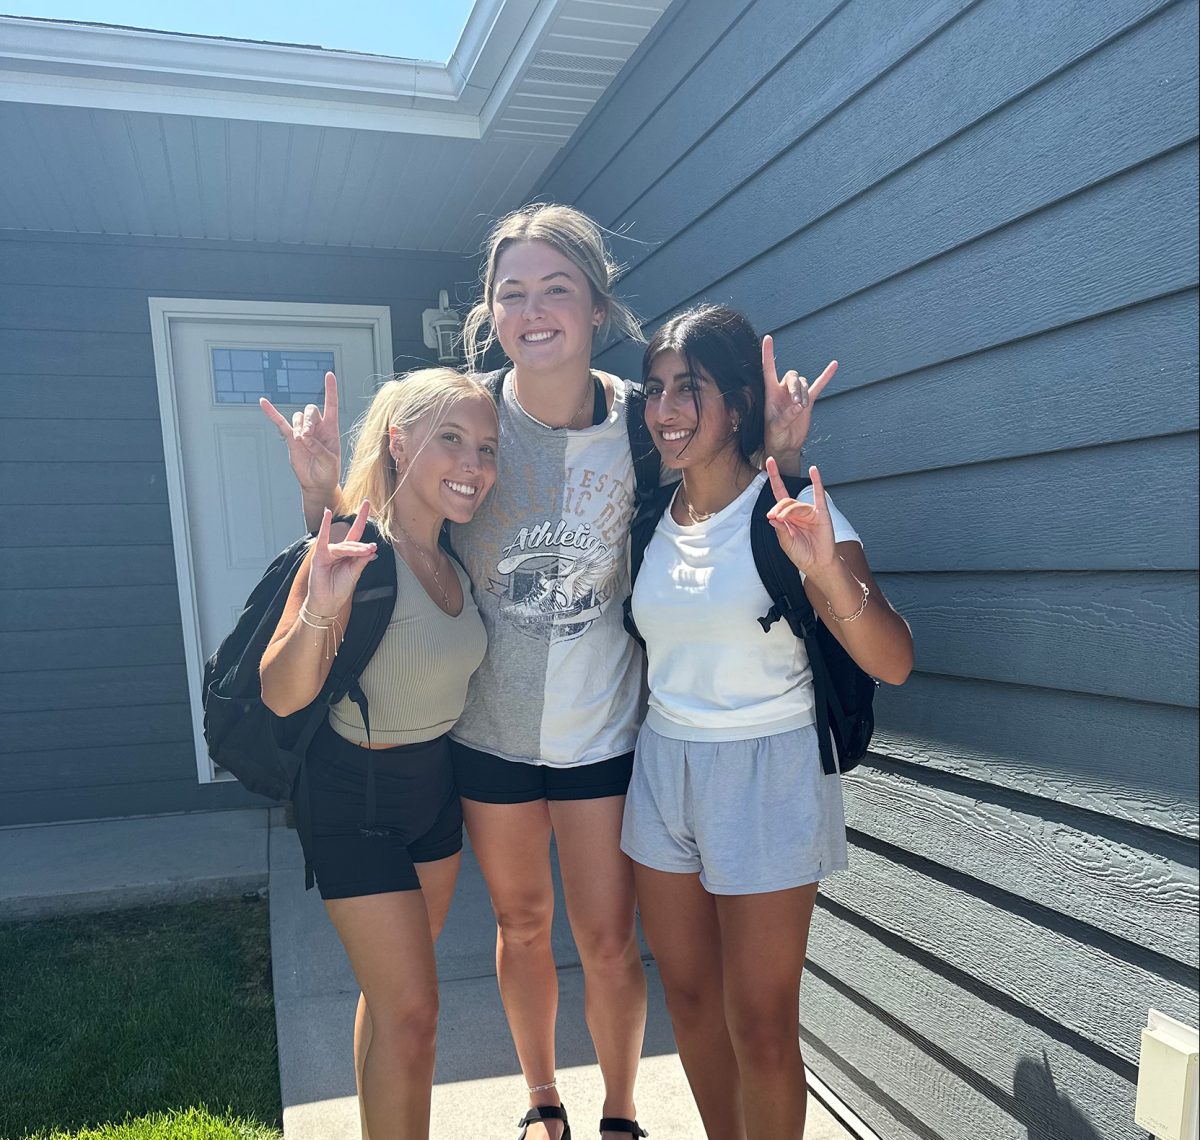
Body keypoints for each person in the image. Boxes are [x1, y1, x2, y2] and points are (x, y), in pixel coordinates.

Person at [264, 203, 825, 1140]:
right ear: (489, 310)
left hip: (605, 730)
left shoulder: (645, 425)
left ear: (597, 307)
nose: (534, 311)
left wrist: (787, 449)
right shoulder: (471, 418)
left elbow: (724, 487)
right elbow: (382, 519)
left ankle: (616, 1111)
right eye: (512, 292)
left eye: (556, 289)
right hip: (488, 734)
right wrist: (320, 495)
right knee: (522, 927)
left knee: (609, 944)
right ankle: (541, 1101)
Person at [621, 304, 914, 1140]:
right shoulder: (649, 519)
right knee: (687, 997)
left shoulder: (789, 514)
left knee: (761, 1022)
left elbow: (892, 658)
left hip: (769, 771)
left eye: (691, 389)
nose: (666, 410)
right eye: (655, 390)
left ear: (738, 405)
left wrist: (824, 569)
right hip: (663, 769)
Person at [258, 368, 499, 1140]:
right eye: (451, 440)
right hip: (354, 799)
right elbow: (282, 692)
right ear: (400, 443)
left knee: (393, 1002)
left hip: (433, 796)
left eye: (487, 448)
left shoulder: (452, 560)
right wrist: (321, 605)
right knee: (414, 1015)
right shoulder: (355, 548)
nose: (472, 465)